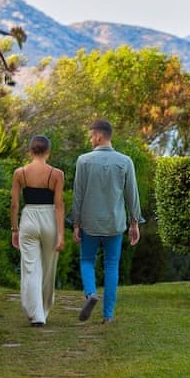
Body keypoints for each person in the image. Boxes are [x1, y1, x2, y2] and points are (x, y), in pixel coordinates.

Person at [71, 119, 144, 324]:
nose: (90, 139)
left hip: (90, 223)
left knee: (87, 261)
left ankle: (90, 293)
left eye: (91, 135)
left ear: (99, 136)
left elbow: (78, 195)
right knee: (111, 266)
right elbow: (132, 195)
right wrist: (134, 223)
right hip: (114, 223)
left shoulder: (83, 161)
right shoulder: (125, 161)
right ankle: (108, 315)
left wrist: (76, 223)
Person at [10, 135, 65, 327]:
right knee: (48, 269)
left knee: (31, 268)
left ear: (30, 150)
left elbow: (14, 204)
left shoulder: (20, 173)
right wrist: (61, 235)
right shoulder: (57, 174)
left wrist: (14, 229)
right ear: (48, 151)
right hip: (50, 219)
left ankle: (36, 314)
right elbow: (59, 206)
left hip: (29, 219)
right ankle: (44, 309)